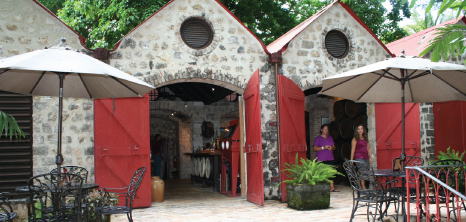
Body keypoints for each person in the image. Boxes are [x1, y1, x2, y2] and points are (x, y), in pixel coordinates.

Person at [313, 124, 339, 192]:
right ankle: (322, 188)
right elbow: (314, 148)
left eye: (327, 129)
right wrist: (323, 147)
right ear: (321, 130)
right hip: (321, 158)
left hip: (330, 158)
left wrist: (332, 148)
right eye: (324, 129)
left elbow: (334, 147)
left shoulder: (330, 138)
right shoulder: (318, 138)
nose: (326, 130)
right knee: (322, 173)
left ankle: (332, 187)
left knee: (331, 173)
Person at [350, 124, 373, 189]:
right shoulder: (355, 139)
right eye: (358, 129)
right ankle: (363, 187)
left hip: (366, 157)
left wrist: (371, 157)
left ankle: (360, 185)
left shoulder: (365, 138)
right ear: (357, 130)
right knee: (362, 170)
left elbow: (369, 148)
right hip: (359, 157)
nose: (360, 130)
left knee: (366, 171)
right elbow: (353, 150)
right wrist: (351, 160)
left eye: (361, 129)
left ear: (363, 130)